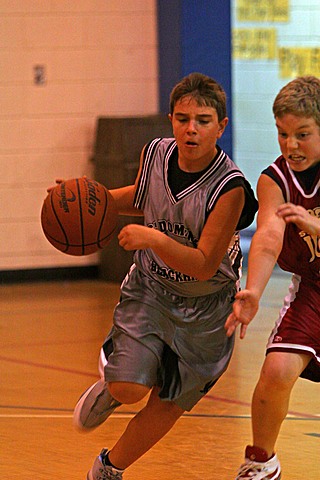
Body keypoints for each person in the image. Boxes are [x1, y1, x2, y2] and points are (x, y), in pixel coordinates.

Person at [73, 72, 258, 480]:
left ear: (221, 126)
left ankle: (108, 469)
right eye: (181, 118)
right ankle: (113, 386)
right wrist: (89, 198)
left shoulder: (231, 188)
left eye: (203, 120)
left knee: (168, 403)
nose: (190, 128)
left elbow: (204, 263)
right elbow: (142, 197)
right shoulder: (156, 152)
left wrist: (153, 237)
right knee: (130, 388)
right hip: (153, 288)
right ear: (171, 119)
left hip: (209, 308)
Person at [225, 75, 320, 479]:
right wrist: (253, 290)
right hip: (313, 290)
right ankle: (260, 462)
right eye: (283, 134)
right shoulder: (274, 179)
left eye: (303, 134)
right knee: (277, 369)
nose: (291, 145)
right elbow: (267, 237)